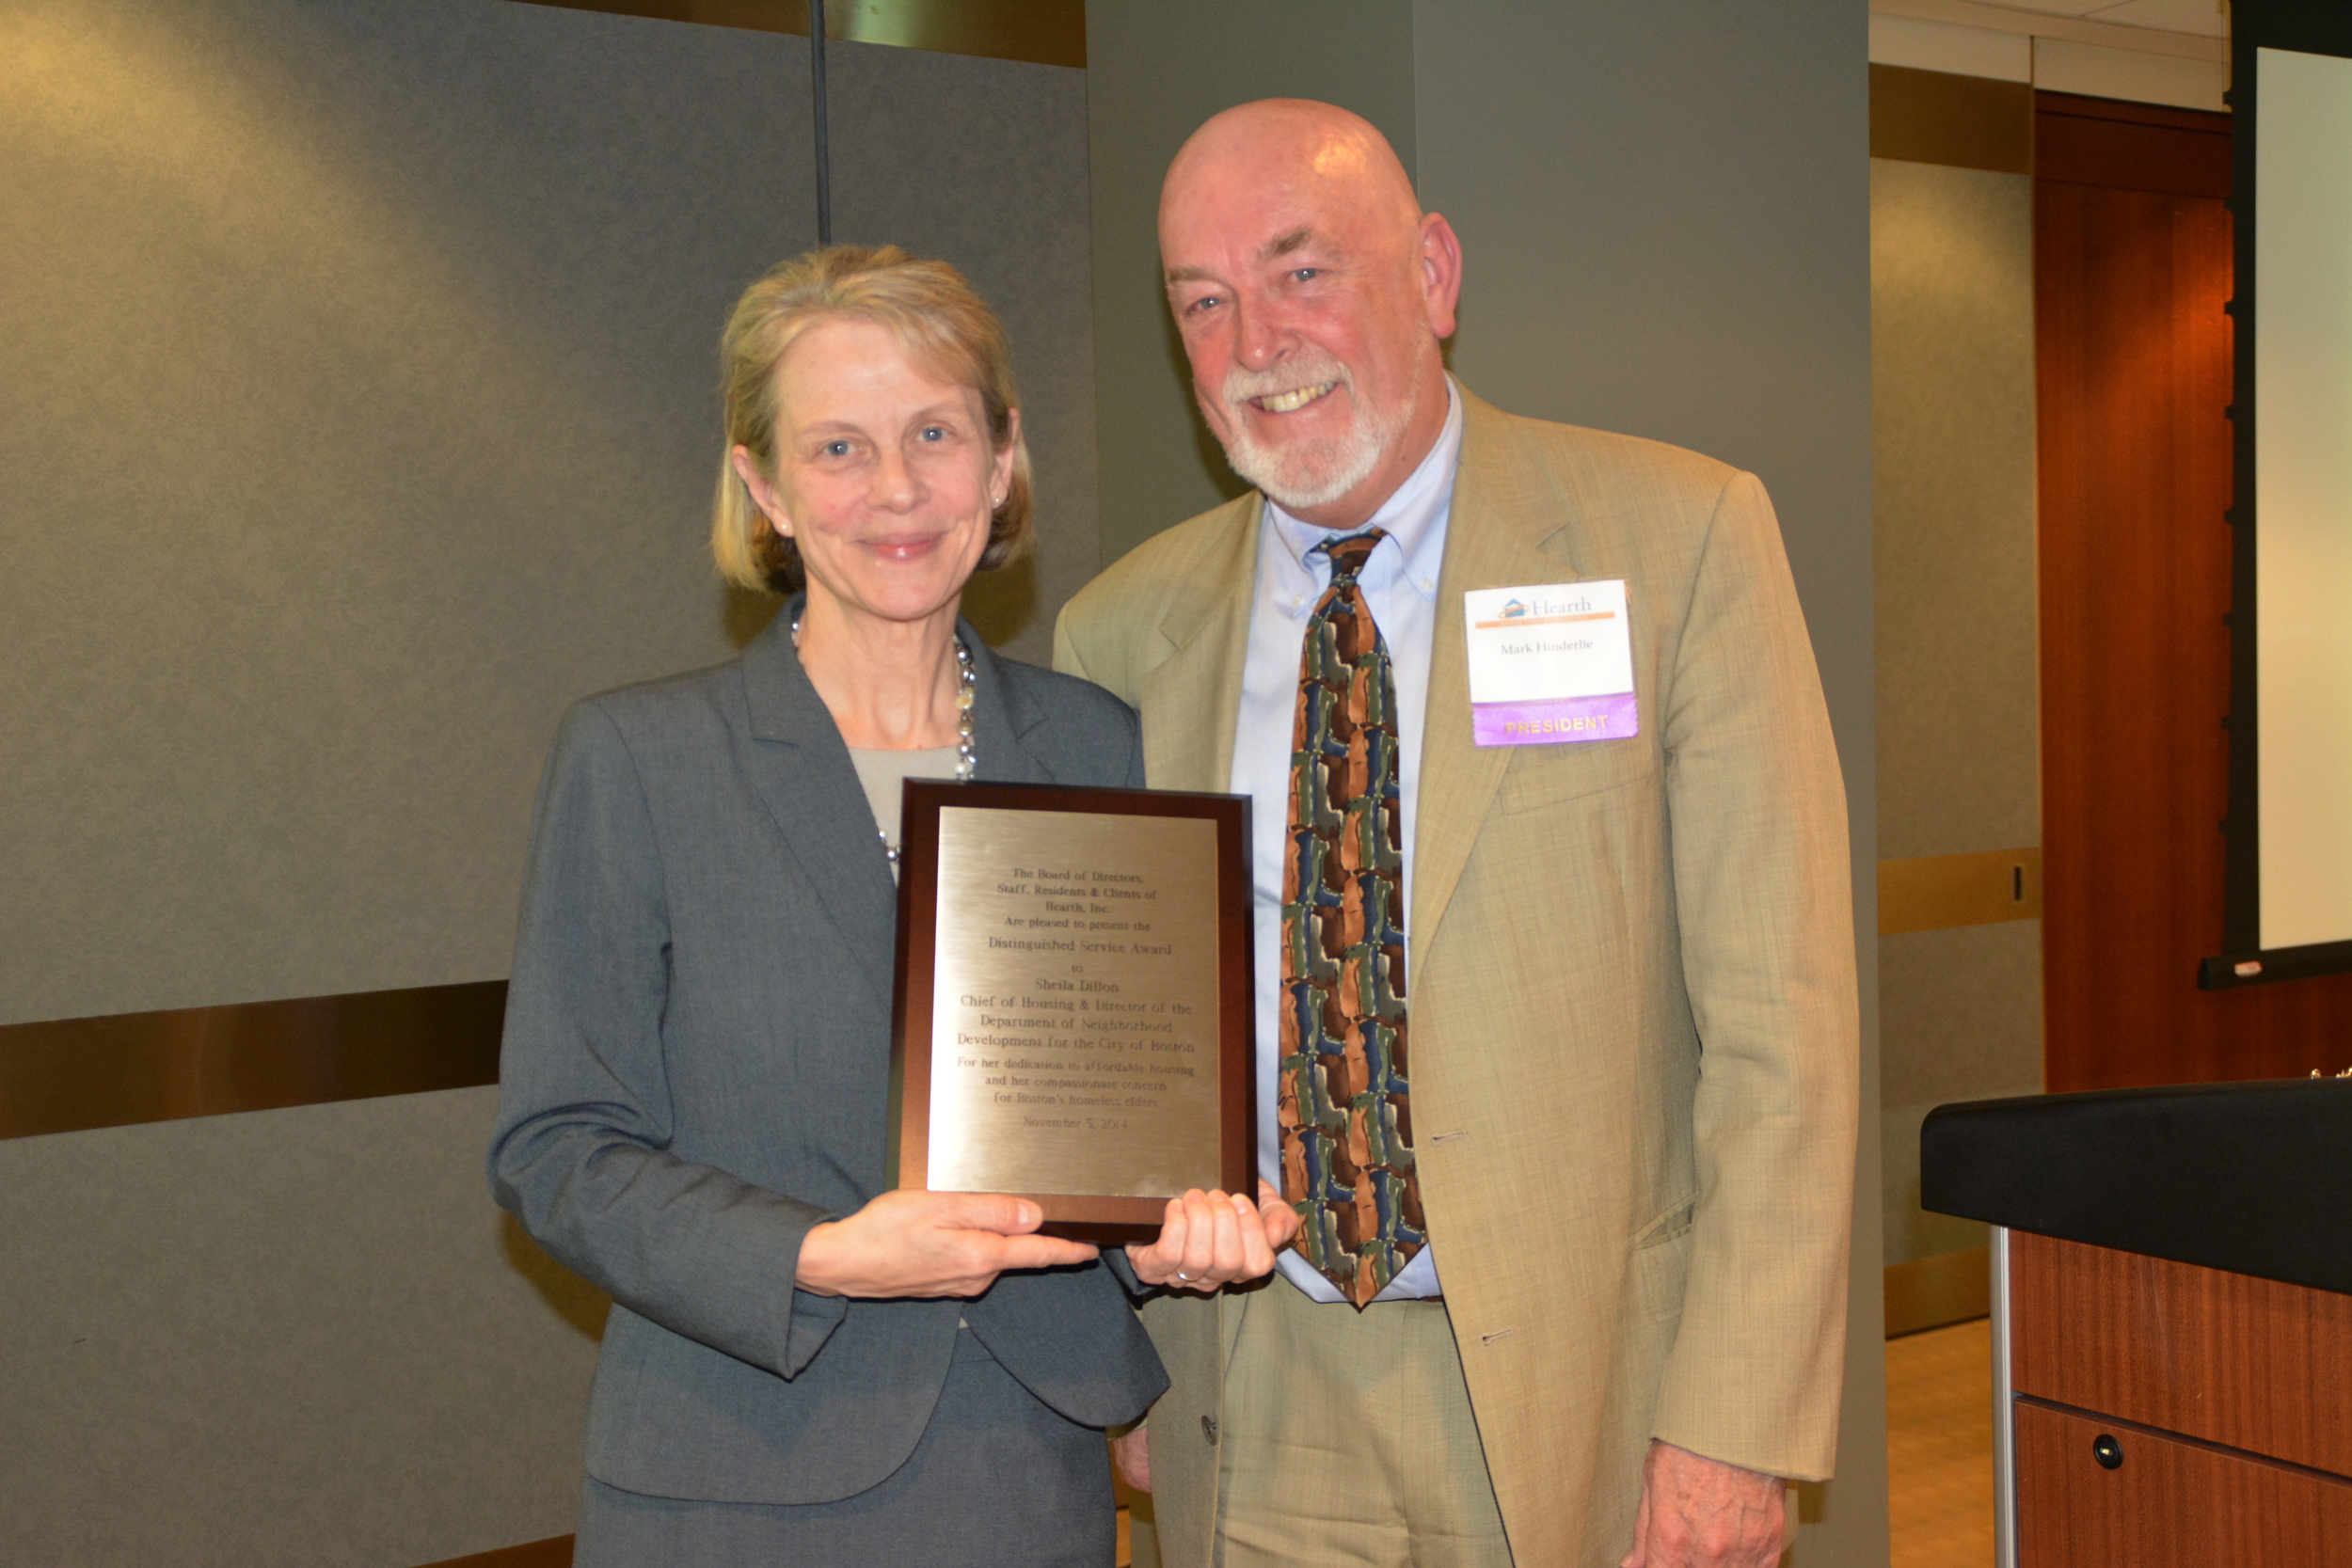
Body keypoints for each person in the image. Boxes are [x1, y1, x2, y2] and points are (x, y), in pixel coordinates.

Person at [1054, 102, 1859, 1568]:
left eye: (1303, 274)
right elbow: (1110, 1039)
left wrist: (1735, 1425)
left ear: (1432, 274)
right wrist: (1121, 1333)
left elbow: (1783, 1034)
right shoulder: (1120, 631)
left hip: (1591, 1399)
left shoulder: (1672, 544)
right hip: (1255, 1388)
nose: (1255, 346)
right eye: (1205, 302)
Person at [489, 245, 1295, 1567]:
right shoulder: (639, 760)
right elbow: (559, 1151)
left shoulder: (1102, 747)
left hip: (1021, 1474)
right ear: (764, 487)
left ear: (1001, 460)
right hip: (736, 1472)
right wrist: (816, 1256)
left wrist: (1166, 1235)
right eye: (839, 449)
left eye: (934, 431)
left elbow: (1105, 1119)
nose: (900, 489)